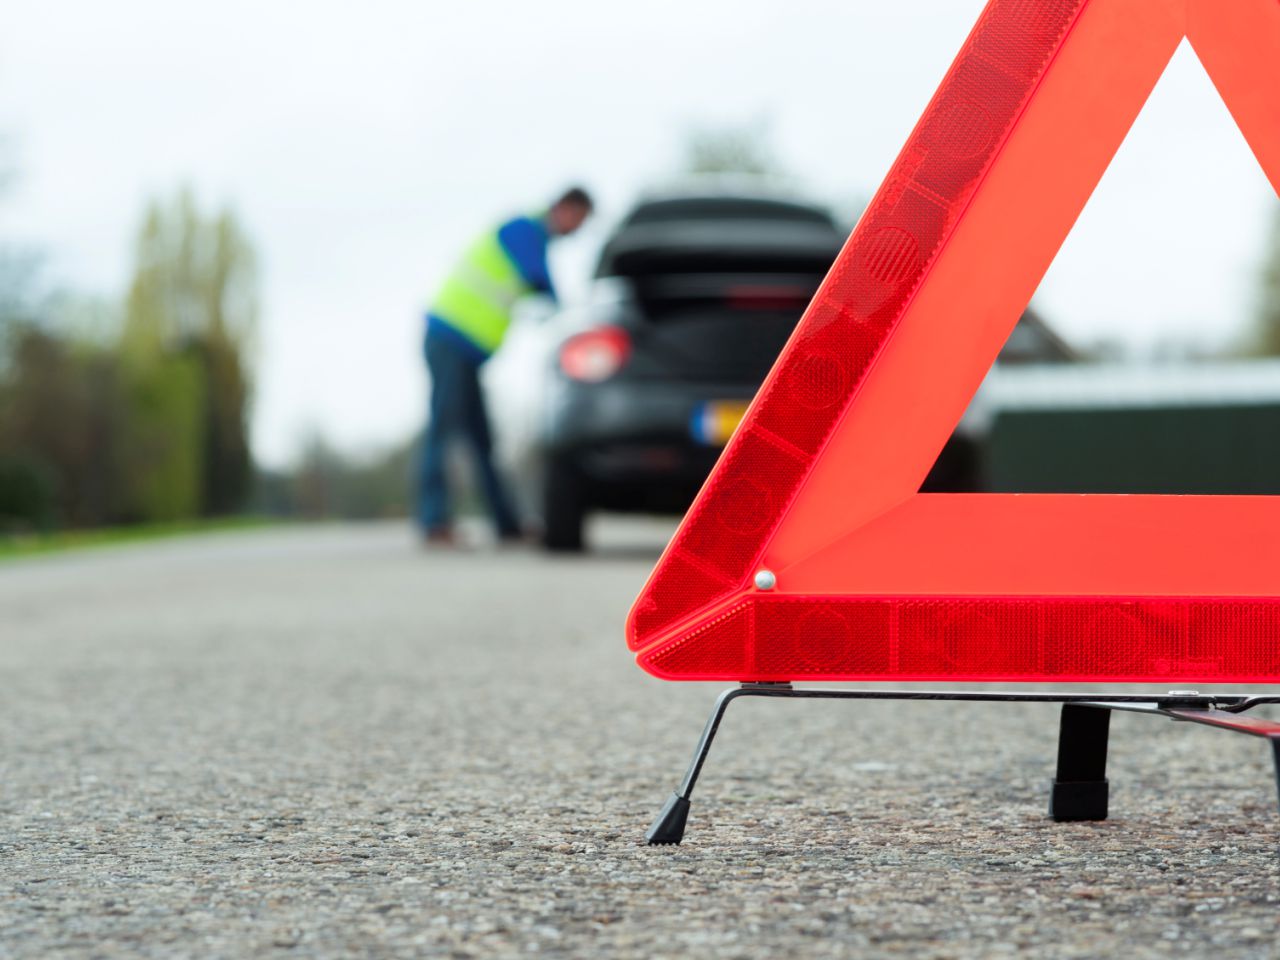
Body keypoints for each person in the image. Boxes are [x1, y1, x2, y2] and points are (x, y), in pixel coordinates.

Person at [417, 187, 593, 544]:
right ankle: (433, 521)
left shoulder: (530, 236)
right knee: (444, 428)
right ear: (565, 208)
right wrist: (571, 316)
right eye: (579, 220)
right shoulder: (523, 229)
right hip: (449, 338)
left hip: (465, 350)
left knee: (481, 438)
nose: (577, 230)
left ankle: (506, 524)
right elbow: (538, 278)